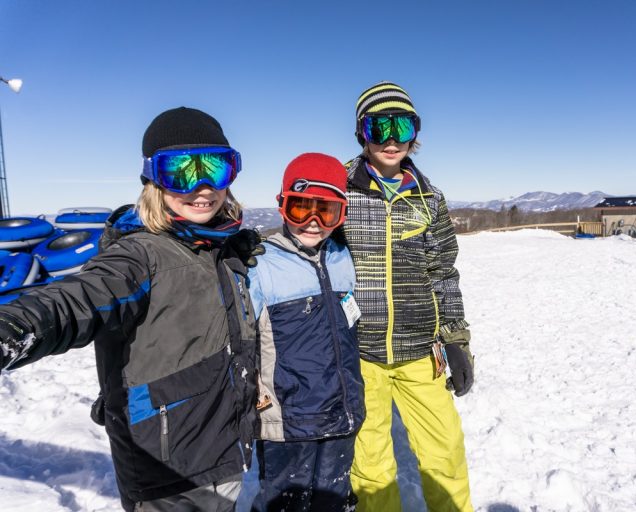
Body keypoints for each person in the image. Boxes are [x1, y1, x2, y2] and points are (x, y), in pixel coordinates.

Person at [0, 107, 264, 511]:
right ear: (153, 180)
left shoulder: (217, 248)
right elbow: (77, 298)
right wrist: (15, 327)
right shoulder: (139, 255)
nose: (203, 187)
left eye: (216, 168)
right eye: (180, 172)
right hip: (169, 473)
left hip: (221, 451)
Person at [343, 81, 475, 512]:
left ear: (415, 133)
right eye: (378, 127)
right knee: (371, 465)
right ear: (361, 132)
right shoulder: (340, 189)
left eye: (402, 126)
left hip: (421, 351)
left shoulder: (429, 198)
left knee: (445, 452)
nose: (391, 139)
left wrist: (456, 340)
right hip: (359, 353)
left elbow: (443, 273)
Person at [244, 153, 365, 511]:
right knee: (284, 503)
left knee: (333, 498)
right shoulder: (260, 265)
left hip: (341, 412)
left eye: (326, 212)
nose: (313, 223)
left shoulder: (343, 257)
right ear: (282, 206)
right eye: (301, 210)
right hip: (289, 421)